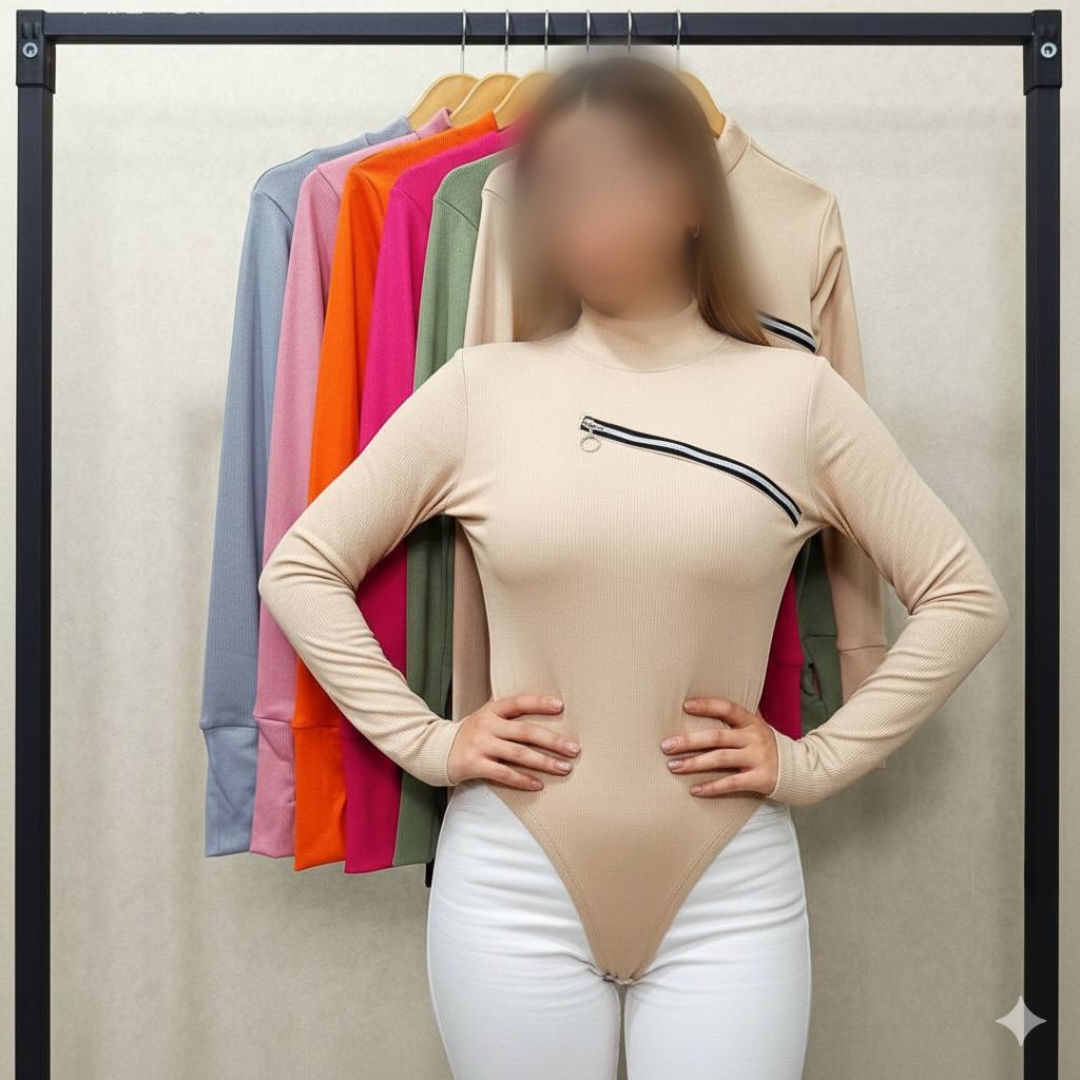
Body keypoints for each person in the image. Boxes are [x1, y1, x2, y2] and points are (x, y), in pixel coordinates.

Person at [260, 57, 1008, 1080]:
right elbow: (301, 567)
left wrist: (816, 763)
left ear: (692, 198)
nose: (582, 209)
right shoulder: (480, 389)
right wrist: (430, 744)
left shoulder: (797, 397)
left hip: (729, 888)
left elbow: (966, 598)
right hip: (510, 881)